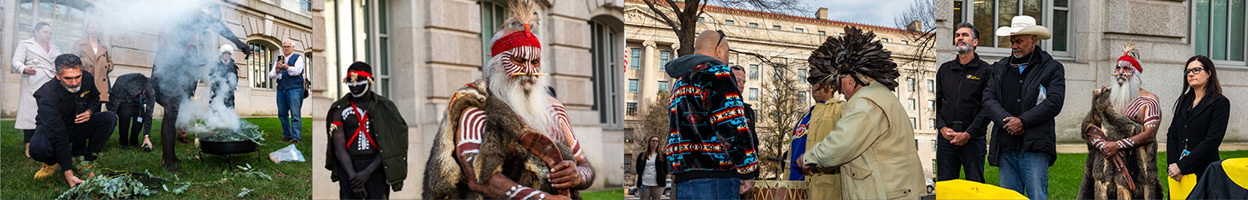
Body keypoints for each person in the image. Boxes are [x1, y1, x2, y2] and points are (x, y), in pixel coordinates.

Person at [423, 2, 594, 199]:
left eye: (535, 62)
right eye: (519, 61)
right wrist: (543, 198)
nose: (529, 71)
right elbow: (479, 179)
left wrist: (577, 176)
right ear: (497, 66)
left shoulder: (554, 110)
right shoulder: (475, 111)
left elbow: (583, 163)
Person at [799, 26, 925, 199]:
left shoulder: (865, 102)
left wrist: (809, 157)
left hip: (887, 193)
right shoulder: (882, 95)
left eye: (839, 85)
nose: (840, 92)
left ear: (850, 79)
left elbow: (841, 144)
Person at [150, 3, 250, 173]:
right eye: (213, 19)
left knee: (173, 111)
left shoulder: (189, 21)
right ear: (207, 12)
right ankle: (167, 162)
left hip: (174, 62)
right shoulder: (192, 12)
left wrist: (193, 61)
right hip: (168, 65)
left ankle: (170, 156)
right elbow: (173, 45)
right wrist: (240, 44)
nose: (210, 24)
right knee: (170, 109)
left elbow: (184, 48)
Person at [664, 30, 757, 200]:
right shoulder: (717, 73)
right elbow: (732, 126)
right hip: (716, 179)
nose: (727, 57)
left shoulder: (679, 82)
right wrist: (747, 171)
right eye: (727, 51)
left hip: (684, 179)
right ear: (719, 50)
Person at [982, 15, 1066, 200]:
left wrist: (1022, 122)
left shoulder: (1052, 68)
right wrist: (1008, 122)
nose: (1014, 46)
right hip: (1006, 144)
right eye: (1012, 42)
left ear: (1033, 40)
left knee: (1037, 196)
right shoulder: (1000, 68)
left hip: (1035, 146)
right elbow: (988, 99)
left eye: (1018, 41)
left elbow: (1054, 103)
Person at [1076, 43, 1163, 199]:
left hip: (1135, 171)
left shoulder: (1149, 101)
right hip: (1104, 169)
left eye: (1127, 69)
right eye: (1117, 68)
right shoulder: (1105, 98)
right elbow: (1087, 126)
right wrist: (1104, 146)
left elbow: (1149, 135)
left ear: (1136, 74)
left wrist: (1116, 146)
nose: (1121, 72)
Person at [28, 54, 117, 188]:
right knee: (37, 148)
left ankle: (86, 161)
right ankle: (52, 162)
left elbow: (95, 97)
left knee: (109, 118)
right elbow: (58, 134)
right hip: (52, 128)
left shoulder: (87, 78)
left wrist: (90, 111)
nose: (74, 83)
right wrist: (68, 173)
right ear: (57, 75)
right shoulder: (45, 95)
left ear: (81, 71)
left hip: (76, 124)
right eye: (68, 78)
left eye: (77, 77)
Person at [325, 62, 408, 199]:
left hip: (377, 167)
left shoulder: (385, 107)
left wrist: (367, 172)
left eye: (359, 80)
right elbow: (338, 147)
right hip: (348, 168)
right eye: (351, 81)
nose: (355, 85)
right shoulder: (339, 110)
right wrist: (354, 178)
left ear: (370, 81)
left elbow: (392, 143)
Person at [934, 22, 992, 183]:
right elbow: (936, 103)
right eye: (957, 35)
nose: (960, 38)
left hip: (973, 141)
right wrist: (942, 127)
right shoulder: (945, 70)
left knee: (974, 186)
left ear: (975, 42)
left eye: (965, 35)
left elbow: (987, 108)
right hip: (947, 140)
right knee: (946, 186)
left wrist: (968, 133)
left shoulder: (986, 71)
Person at [1166, 55, 1229, 183]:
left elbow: (1212, 141)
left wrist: (1182, 166)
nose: (1191, 74)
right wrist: (1173, 165)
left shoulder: (1220, 103)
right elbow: (1172, 135)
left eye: (1196, 70)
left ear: (1209, 73)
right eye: (1188, 71)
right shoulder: (1184, 101)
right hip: (1178, 173)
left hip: (1204, 171)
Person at [785, 67, 846, 199]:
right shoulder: (805, 116)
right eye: (813, 82)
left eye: (821, 81)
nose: (816, 86)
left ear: (831, 86)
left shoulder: (841, 109)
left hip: (822, 190)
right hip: (794, 188)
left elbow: (843, 146)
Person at [12, 22, 62, 158]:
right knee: (30, 113)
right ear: (36, 32)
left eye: (50, 33)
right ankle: (29, 144)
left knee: (48, 112)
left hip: (50, 82)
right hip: (32, 81)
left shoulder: (55, 48)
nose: (48, 35)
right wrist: (24, 69)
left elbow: (60, 63)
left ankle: (46, 141)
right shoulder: (25, 44)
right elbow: (16, 61)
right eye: (45, 32)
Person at [269, 40, 306, 144]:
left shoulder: (298, 57)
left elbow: (298, 71)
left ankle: (296, 137)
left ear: (292, 47)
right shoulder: (279, 60)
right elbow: (271, 75)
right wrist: (277, 70)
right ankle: (287, 135)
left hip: (294, 89)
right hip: (281, 89)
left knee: (295, 114)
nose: (286, 48)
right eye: (284, 46)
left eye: (288, 46)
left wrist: (287, 68)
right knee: (282, 114)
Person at [108, 73, 155, 151]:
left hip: (137, 104)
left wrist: (147, 135)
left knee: (140, 118)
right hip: (123, 101)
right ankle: (123, 142)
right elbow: (116, 92)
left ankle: (134, 140)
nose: (154, 92)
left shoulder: (152, 94)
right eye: (153, 90)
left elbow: (149, 114)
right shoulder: (137, 81)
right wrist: (112, 111)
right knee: (125, 116)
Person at [73, 20, 114, 107]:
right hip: (85, 81)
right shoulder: (78, 44)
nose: (95, 30)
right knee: (83, 108)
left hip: (100, 83)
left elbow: (110, 62)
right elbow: (73, 61)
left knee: (97, 109)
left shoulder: (104, 46)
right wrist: (84, 62)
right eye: (92, 28)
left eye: (97, 28)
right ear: (87, 29)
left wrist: (105, 66)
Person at [634, 136, 670, 200]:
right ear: (649, 142)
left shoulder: (663, 155)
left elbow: (666, 169)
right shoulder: (642, 155)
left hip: (658, 184)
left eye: (656, 141)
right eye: (653, 141)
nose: (655, 142)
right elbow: (638, 169)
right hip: (644, 183)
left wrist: (662, 175)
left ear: (658, 143)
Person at [210, 44, 239, 109]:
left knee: (227, 114)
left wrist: (229, 86)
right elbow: (212, 77)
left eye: (229, 53)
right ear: (222, 54)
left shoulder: (233, 67)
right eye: (225, 53)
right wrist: (221, 84)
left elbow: (236, 80)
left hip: (229, 96)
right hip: (216, 94)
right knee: (215, 114)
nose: (227, 55)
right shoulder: (215, 65)